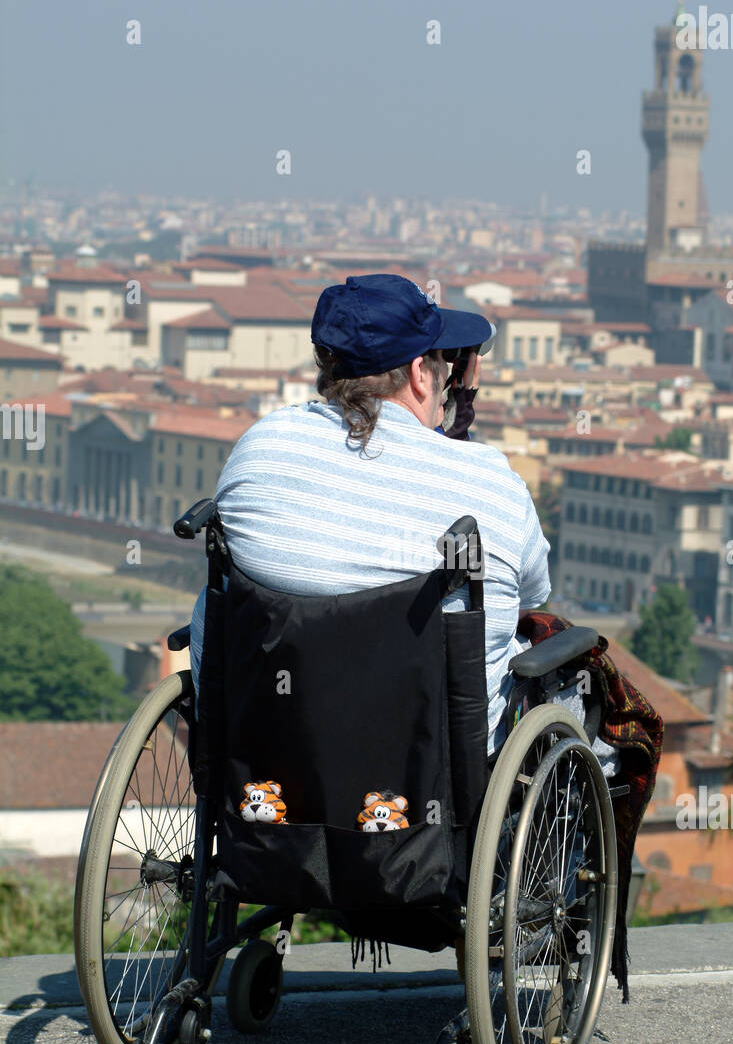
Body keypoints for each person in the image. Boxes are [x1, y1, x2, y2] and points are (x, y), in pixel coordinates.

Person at [188, 273, 551, 756]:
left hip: (265, 757)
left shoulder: (262, 444)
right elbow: (533, 593)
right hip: (427, 769)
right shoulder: (492, 481)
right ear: (421, 372)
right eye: (445, 361)